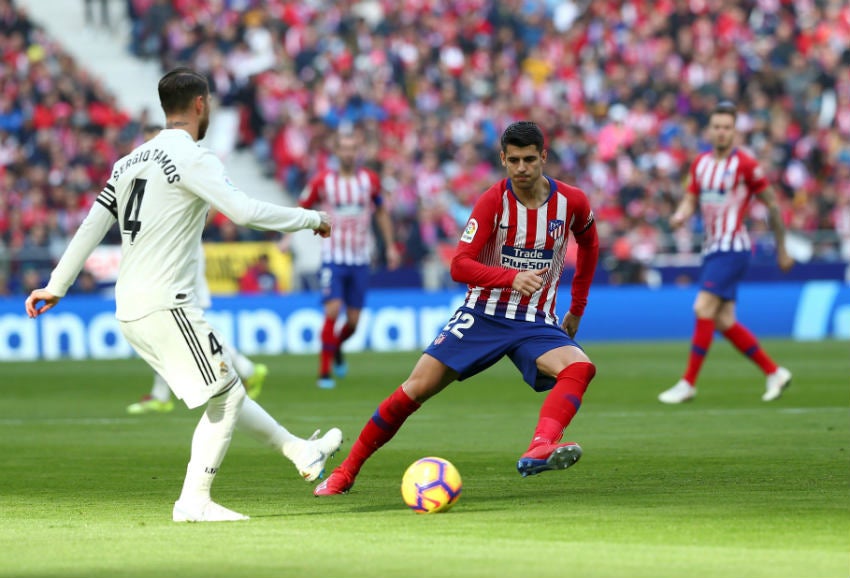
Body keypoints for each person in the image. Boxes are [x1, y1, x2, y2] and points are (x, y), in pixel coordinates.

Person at [25, 67, 343, 522]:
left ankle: (300, 452)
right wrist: (311, 218)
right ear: (200, 104)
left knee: (225, 387)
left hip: (130, 307)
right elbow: (244, 211)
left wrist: (56, 285)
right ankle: (193, 501)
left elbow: (91, 227)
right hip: (166, 303)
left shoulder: (128, 162)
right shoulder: (195, 158)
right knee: (228, 395)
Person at [314, 121, 599, 496]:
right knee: (414, 389)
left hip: (533, 320)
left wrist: (577, 308)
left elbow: (590, 246)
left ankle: (540, 446)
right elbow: (459, 265)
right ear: (502, 159)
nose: (521, 168)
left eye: (530, 159)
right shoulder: (493, 201)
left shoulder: (571, 202)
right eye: (513, 160)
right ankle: (345, 473)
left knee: (580, 366)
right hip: (483, 314)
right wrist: (510, 277)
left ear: (544, 157)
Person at [126, 124, 268, 415]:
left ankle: (243, 368)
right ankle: (164, 393)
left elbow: (222, 198)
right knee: (170, 320)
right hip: (165, 256)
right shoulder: (153, 165)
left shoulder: (186, 161)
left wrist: (193, 227)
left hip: (183, 255)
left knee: (183, 319)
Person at [658, 101, 794, 405]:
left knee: (702, 307)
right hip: (711, 249)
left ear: (735, 131)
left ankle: (688, 383)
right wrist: (680, 215)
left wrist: (782, 250)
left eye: (727, 127)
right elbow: (690, 198)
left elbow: (772, 204)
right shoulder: (700, 164)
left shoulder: (745, 165)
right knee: (723, 321)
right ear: (710, 130)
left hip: (733, 248)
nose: (721, 132)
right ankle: (774, 372)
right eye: (717, 126)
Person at [297, 131, 401, 389]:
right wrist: (291, 236)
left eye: (352, 148)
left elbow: (381, 213)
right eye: (343, 148)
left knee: (353, 323)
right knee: (332, 310)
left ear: (358, 152)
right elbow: (302, 206)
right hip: (333, 256)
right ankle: (324, 374)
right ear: (337, 152)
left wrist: (390, 246)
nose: (348, 153)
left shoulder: (370, 180)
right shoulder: (323, 181)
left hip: (360, 258)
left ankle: (337, 348)